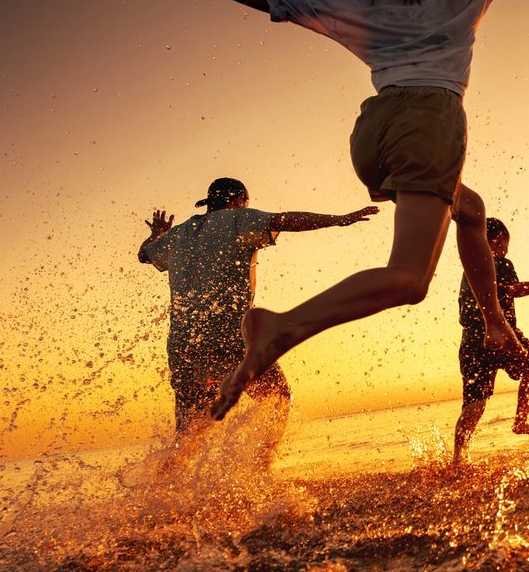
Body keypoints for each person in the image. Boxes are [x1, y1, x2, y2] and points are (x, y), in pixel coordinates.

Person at [171, 0, 529, 419]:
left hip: (373, 137)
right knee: (409, 280)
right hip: (429, 122)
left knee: (471, 211)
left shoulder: (362, 1)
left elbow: (286, 3)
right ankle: (280, 327)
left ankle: (494, 321)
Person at [138, 177, 377, 447]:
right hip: (228, 337)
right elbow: (285, 220)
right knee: (277, 397)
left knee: (188, 436)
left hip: (184, 348)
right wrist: (339, 220)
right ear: (239, 200)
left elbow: (145, 255)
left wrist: (157, 234)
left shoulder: (178, 234)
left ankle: (167, 476)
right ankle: (260, 467)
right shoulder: (238, 219)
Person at [452, 217, 529, 465]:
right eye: (506, 243)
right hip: (500, 332)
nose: (506, 249)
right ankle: (520, 421)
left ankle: (458, 460)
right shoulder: (499, 262)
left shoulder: (469, 269)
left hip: (471, 341)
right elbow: (514, 290)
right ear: (498, 240)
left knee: (474, 404)